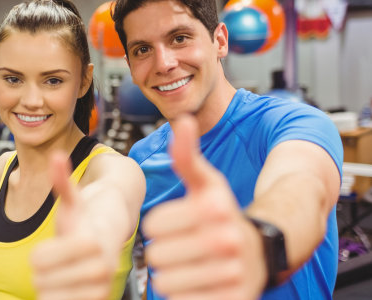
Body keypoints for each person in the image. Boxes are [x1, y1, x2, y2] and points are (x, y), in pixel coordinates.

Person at [111, 0, 343, 299]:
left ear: (219, 41)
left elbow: (301, 190)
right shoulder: (142, 160)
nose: (164, 63)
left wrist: (257, 242)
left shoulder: (290, 124)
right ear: (130, 66)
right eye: (142, 49)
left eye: (179, 38)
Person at [0, 0, 146, 299]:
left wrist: (95, 235)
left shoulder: (110, 171)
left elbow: (109, 204)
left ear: (83, 81)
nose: (32, 100)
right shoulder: (0, 173)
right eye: (12, 79)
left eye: (53, 80)